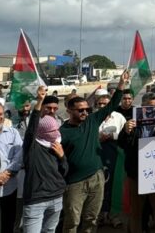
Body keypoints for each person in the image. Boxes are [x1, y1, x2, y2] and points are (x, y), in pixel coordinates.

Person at [59, 71, 125, 233]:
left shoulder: (92, 121)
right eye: (80, 110)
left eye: (87, 110)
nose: (84, 113)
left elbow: (112, 104)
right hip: (74, 182)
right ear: (69, 111)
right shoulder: (62, 131)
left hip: (97, 177)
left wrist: (121, 84)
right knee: (73, 221)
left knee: (91, 218)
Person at [118, 92, 155, 233]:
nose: (152, 110)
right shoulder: (132, 121)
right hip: (136, 172)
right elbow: (122, 144)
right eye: (149, 107)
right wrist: (126, 131)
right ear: (142, 106)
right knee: (136, 210)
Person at [21, 86, 68, 233]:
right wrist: (39, 101)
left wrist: (62, 157)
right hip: (36, 200)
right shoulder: (32, 146)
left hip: (56, 197)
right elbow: (31, 130)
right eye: (50, 131)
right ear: (41, 132)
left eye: (56, 130)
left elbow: (65, 171)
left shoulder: (57, 145)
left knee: (50, 230)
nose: (54, 133)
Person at [0, 100, 24, 233]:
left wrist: (6, 174)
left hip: (9, 188)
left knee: (7, 223)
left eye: (1, 114)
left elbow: (19, 156)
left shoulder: (13, 133)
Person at [95, 92, 126, 228]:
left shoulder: (118, 117)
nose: (102, 106)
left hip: (115, 155)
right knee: (99, 186)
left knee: (115, 185)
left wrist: (114, 136)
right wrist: (98, 138)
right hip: (97, 155)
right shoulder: (92, 118)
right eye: (100, 104)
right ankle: (100, 215)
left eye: (105, 104)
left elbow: (126, 136)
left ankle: (114, 216)